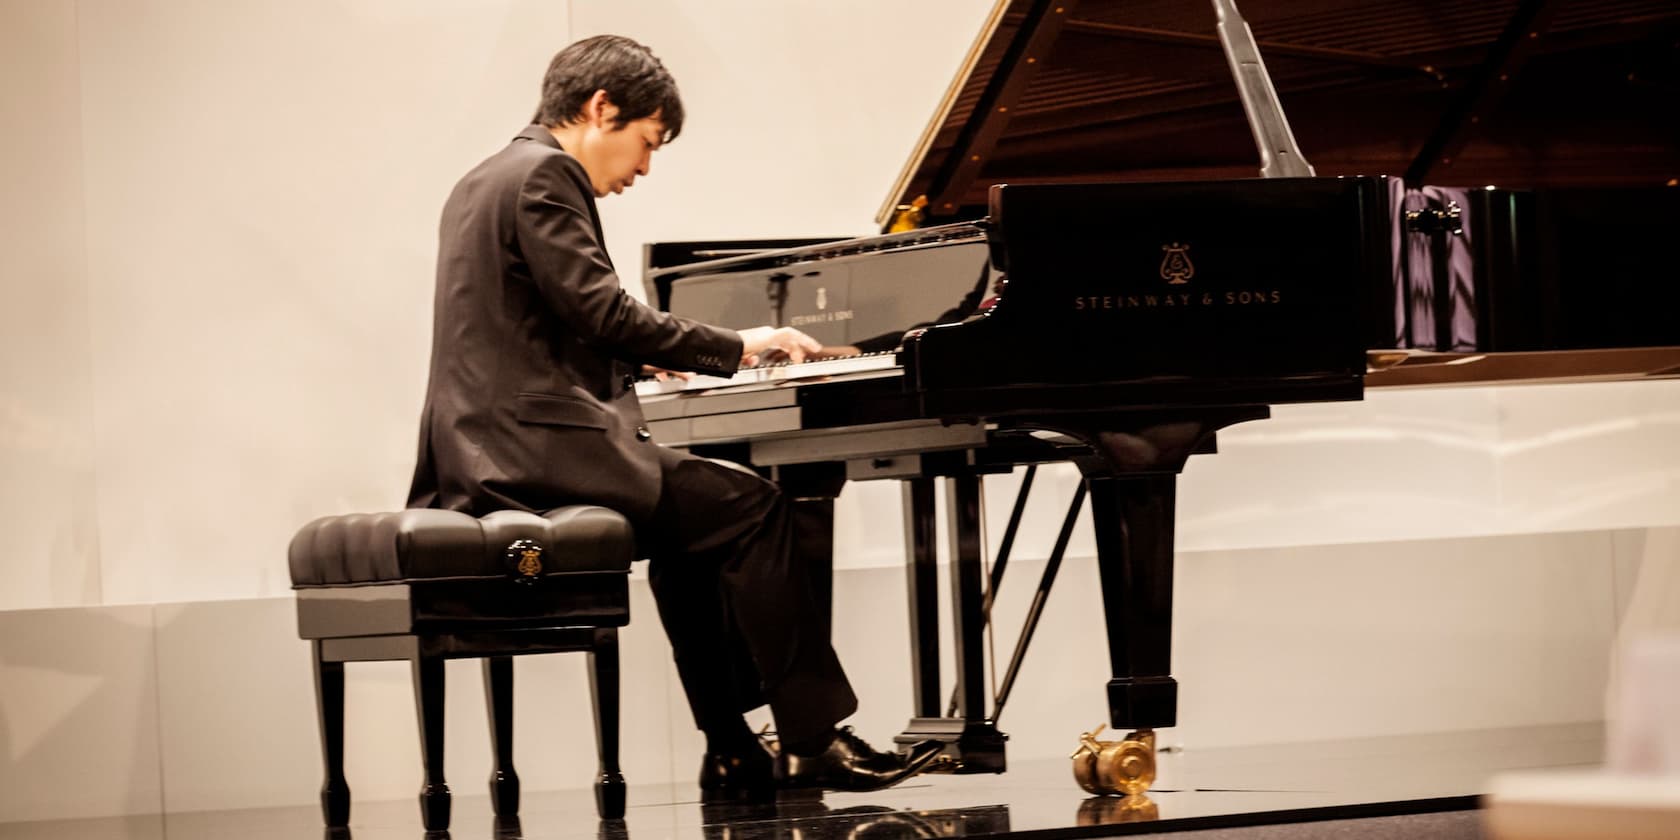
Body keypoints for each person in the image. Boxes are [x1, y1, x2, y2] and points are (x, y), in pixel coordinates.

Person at [405, 34, 940, 799]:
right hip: (531, 454)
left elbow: (532, 328)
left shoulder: (485, 177)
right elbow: (603, 309)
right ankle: (812, 739)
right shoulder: (548, 175)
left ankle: (730, 747)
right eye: (645, 143)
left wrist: (640, 362)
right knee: (753, 507)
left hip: (482, 448)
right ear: (600, 109)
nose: (644, 169)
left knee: (695, 533)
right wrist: (740, 345)